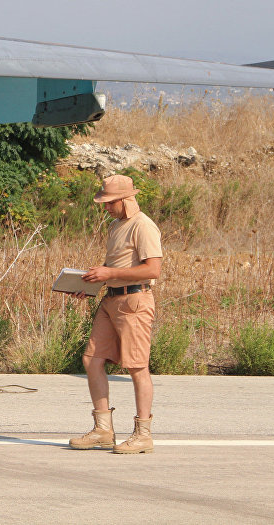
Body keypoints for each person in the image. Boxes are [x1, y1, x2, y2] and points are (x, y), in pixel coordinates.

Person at [68, 174, 162, 454]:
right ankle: (103, 430)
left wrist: (109, 273)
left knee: (137, 367)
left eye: (109, 202)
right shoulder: (115, 225)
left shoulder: (143, 226)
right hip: (111, 299)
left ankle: (143, 435)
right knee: (92, 359)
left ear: (125, 199)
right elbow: (115, 266)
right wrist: (92, 283)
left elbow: (153, 270)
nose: (105, 207)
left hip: (134, 301)